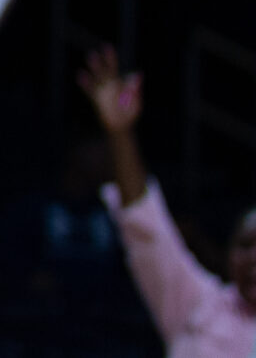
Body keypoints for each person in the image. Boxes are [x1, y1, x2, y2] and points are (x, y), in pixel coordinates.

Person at [79, 44, 256, 358]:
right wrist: (120, 132)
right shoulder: (197, 304)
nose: (254, 257)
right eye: (245, 245)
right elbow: (145, 226)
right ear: (228, 255)